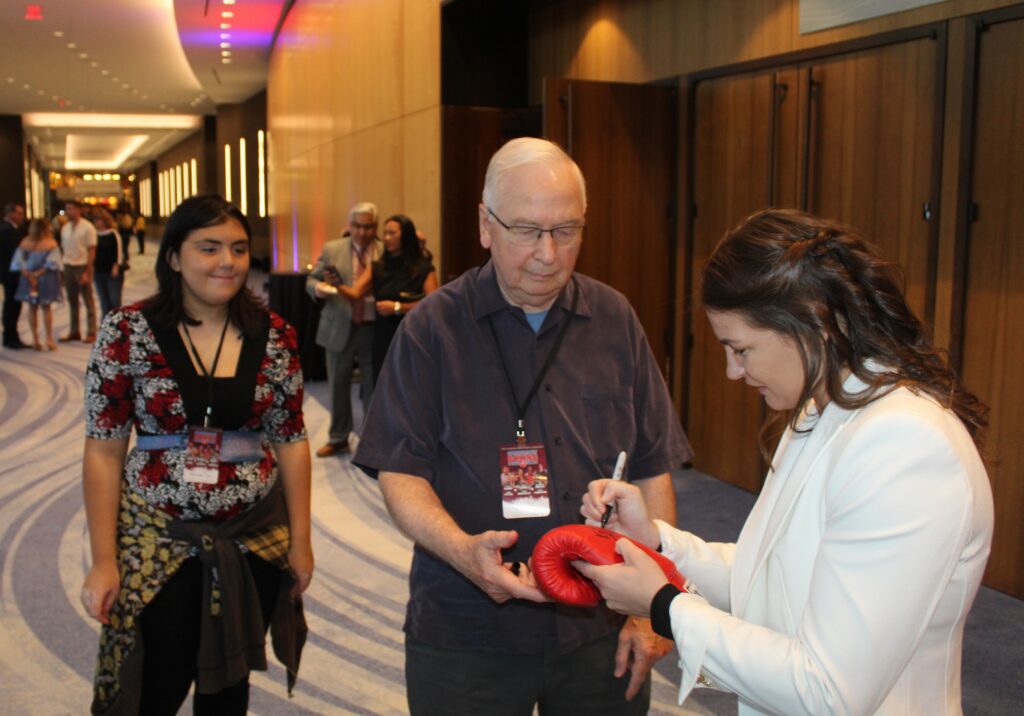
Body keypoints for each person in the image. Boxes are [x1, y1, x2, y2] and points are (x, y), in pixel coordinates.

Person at [576, 208, 994, 716]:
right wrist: (659, 543)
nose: (733, 371)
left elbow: (828, 691)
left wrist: (665, 606)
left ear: (812, 322)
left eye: (741, 349)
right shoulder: (822, 414)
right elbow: (770, 577)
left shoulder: (904, 444)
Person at [353, 137, 692, 715]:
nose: (549, 254)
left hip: (599, 625)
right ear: (485, 225)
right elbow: (399, 472)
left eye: (568, 231)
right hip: (467, 631)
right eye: (528, 231)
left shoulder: (614, 318)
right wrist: (462, 551)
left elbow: (651, 466)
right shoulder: (432, 328)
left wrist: (650, 605)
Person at [80, 194, 313, 715]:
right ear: (174, 257)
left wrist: (302, 542)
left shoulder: (276, 336)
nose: (227, 262)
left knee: (229, 687)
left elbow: (292, 442)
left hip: (250, 537)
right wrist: (102, 561)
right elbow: (104, 450)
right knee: (155, 682)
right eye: (208, 248)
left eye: (237, 248)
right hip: (159, 539)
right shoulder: (127, 332)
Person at [305, 201, 382, 457]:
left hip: (373, 327)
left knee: (374, 386)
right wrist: (320, 289)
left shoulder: (384, 251)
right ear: (350, 226)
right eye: (358, 226)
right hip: (339, 326)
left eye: (368, 226)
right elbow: (311, 279)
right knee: (338, 384)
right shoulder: (332, 249)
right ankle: (338, 437)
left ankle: (373, 440)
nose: (362, 232)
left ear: (375, 227)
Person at [334, 213, 438, 382]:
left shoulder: (422, 268)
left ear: (406, 235)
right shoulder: (377, 267)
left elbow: (434, 305)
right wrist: (337, 283)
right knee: (383, 385)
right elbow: (355, 294)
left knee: (412, 385)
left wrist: (398, 307)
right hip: (383, 336)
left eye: (392, 233)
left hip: (414, 335)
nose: (387, 238)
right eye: (385, 233)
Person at [10, 218, 63, 350]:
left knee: (32, 308)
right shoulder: (50, 243)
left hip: (29, 278)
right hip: (45, 278)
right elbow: (53, 262)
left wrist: (28, 273)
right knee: (46, 308)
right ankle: (48, 338)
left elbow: (19, 261)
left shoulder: (25, 242)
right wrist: (37, 274)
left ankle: (36, 339)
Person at [60, 199, 99, 342]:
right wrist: (62, 270)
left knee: (88, 300)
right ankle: (74, 330)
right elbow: (63, 249)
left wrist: (87, 272)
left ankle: (91, 331)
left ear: (78, 210)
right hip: (68, 265)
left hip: (82, 266)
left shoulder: (88, 227)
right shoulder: (65, 228)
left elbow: (91, 250)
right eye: (67, 209)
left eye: (70, 208)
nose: (68, 212)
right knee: (72, 301)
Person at [1, 201, 27, 349]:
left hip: (9, 274)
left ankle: (11, 336)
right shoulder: (7, 230)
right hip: (11, 274)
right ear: (10, 213)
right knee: (12, 306)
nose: (21, 216)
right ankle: (11, 337)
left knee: (12, 305)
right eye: (19, 213)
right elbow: (15, 254)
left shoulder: (10, 229)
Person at [92, 208, 124, 318]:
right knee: (104, 301)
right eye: (95, 220)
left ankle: (118, 324)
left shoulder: (113, 234)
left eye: (99, 219)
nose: (97, 222)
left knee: (114, 300)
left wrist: (116, 265)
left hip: (111, 271)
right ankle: (105, 327)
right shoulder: (94, 234)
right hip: (98, 271)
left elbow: (118, 251)